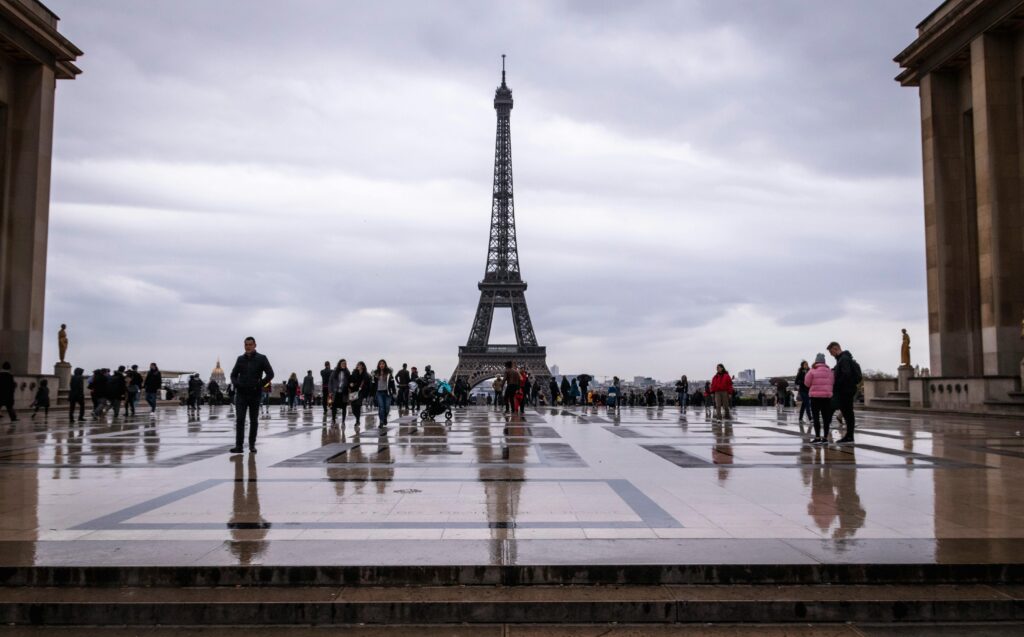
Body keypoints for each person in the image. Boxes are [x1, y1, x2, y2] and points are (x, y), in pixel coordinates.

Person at [229, 336, 275, 454]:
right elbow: (233, 375)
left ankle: (252, 445)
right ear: (244, 346)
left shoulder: (262, 358)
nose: (248, 347)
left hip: (255, 393)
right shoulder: (240, 359)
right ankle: (239, 446)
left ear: (255, 345)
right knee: (240, 420)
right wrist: (237, 384)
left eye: (250, 344)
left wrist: (260, 384)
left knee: (253, 420)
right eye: (246, 345)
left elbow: (270, 374)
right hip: (241, 394)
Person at [828, 341, 860, 444]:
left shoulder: (844, 359)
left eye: (831, 352)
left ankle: (849, 436)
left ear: (835, 348)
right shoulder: (843, 359)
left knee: (848, 413)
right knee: (847, 413)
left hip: (845, 390)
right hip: (847, 389)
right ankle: (849, 436)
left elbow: (846, 374)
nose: (831, 355)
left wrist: (837, 383)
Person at [803, 353, 834, 444]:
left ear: (816, 361)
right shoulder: (830, 371)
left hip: (815, 397)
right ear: (824, 362)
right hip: (827, 397)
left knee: (816, 417)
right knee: (826, 418)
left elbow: (807, 383)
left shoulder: (812, 371)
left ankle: (817, 437)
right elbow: (833, 383)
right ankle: (825, 438)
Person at [372, 359, 397, 427]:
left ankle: (385, 418)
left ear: (385, 365)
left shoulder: (389, 373)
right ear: (379, 365)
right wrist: (372, 393)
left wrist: (394, 391)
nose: (381, 365)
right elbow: (373, 384)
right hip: (379, 392)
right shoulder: (376, 373)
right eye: (380, 364)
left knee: (387, 407)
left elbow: (392, 383)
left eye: (383, 364)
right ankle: (381, 421)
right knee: (381, 407)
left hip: (387, 393)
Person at [329, 359, 350, 424]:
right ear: (339, 364)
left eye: (345, 363)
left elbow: (350, 381)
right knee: (334, 406)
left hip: (344, 392)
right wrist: (330, 391)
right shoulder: (335, 372)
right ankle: (333, 420)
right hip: (336, 392)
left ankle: (343, 421)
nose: (344, 364)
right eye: (343, 363)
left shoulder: (347, 372)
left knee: (344, 407)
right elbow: (330, 382)